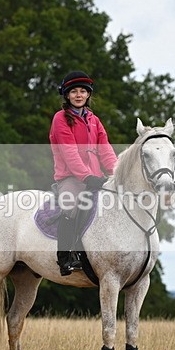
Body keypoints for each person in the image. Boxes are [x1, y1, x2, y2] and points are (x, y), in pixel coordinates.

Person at [49, 71, 118, 276]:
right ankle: (65, 257)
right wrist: (87, 177)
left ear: (88, 95)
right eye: (74, 92)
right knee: (71, 206)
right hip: (71, 178)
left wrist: (116, 175)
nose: (78, 95)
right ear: (67, 95)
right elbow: (69, 152)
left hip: (94, 178)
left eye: (82, 91)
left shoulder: (94, 120)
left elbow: (105, 149)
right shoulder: (60, 119)